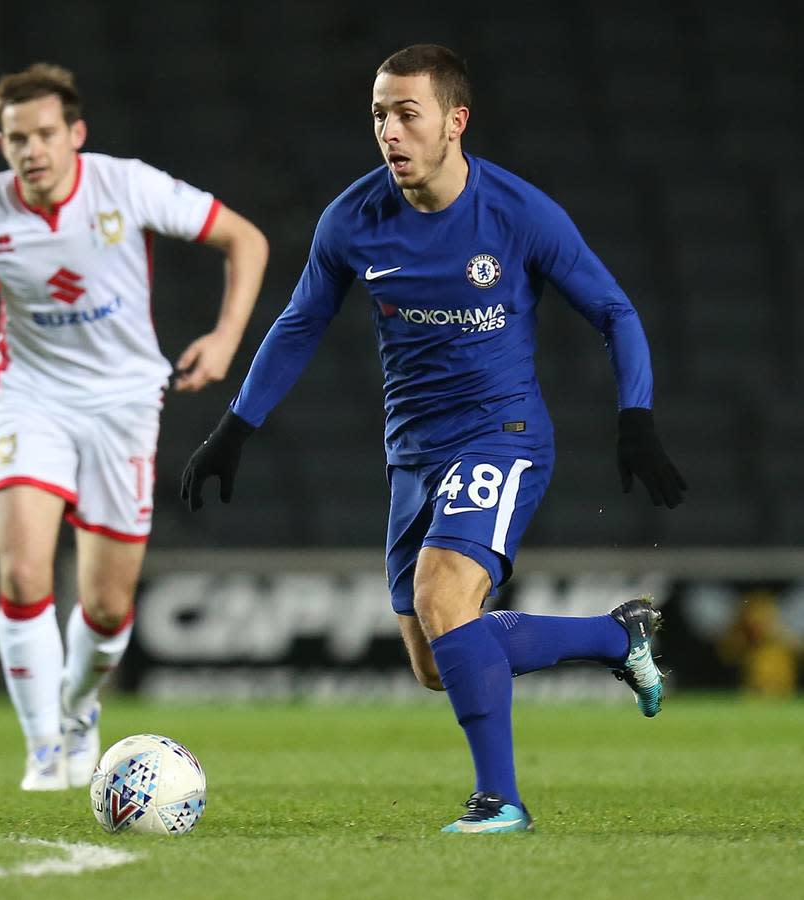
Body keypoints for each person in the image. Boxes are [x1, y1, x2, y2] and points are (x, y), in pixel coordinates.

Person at [181, 44, 685, 834]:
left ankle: (501, 802)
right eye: (379, 113)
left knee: (443, 597)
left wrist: (636, 416)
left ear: (455, 121)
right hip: (412, 454)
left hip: (503, 434)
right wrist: (234, 426)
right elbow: (301, 320)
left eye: (406, 113)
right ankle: (613, 635)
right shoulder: (352, 219)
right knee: (434, 661)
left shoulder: (517, 214)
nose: (389, 129)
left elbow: (614, 311)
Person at [0, 63, 269, 791]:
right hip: (28, 398)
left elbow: (245, 240)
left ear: (75, 133)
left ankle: (76, 708)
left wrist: (226, 339)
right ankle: (44, 745)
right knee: (23, 571)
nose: (31, 151)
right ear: (2, 144)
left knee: (105, 605)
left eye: (44, 134)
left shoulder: (125, 185)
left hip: (124, 405)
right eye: (15, 139)